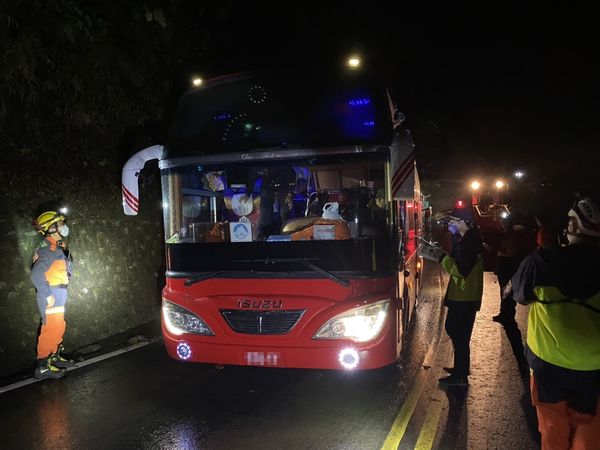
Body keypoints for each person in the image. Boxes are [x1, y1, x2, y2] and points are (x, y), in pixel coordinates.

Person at [508, 197, 600, 449]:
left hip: (549, 368)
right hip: (595, 371)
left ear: (572, 226)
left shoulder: (542, 263)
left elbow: (519, 294)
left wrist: (542, 249)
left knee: (552, 430)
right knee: (590, 434)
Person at [419, 207, 484, 386]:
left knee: (458, 334)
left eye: (454, 222)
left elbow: (460, 270)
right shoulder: (468, 239)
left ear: (464, 223)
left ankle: (460, 376)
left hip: (465, 297)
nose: (451, 226)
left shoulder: (469, 243)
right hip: (464, 296)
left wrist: (440, 257)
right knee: (459, 333)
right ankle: (460, 369)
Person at [31, 211, 75, 379]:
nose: (64, 227)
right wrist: (47, 294)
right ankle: (42, 367)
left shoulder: (56, 247)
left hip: (58, 293)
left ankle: (54, 356)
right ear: (51, 228)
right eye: (60, 224)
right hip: (51, 295)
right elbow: (36, 274)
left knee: (58, 326)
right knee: (49, 329)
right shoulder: (48, 249)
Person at [492, 213, 537, 323]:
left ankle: (507, 315)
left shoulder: (511, 236)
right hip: (505, 268)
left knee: (507, 293)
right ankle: (505, 313)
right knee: (505, 292)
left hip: (507, 268)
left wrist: (501, 251)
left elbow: (510, 251)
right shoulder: (507, 235)